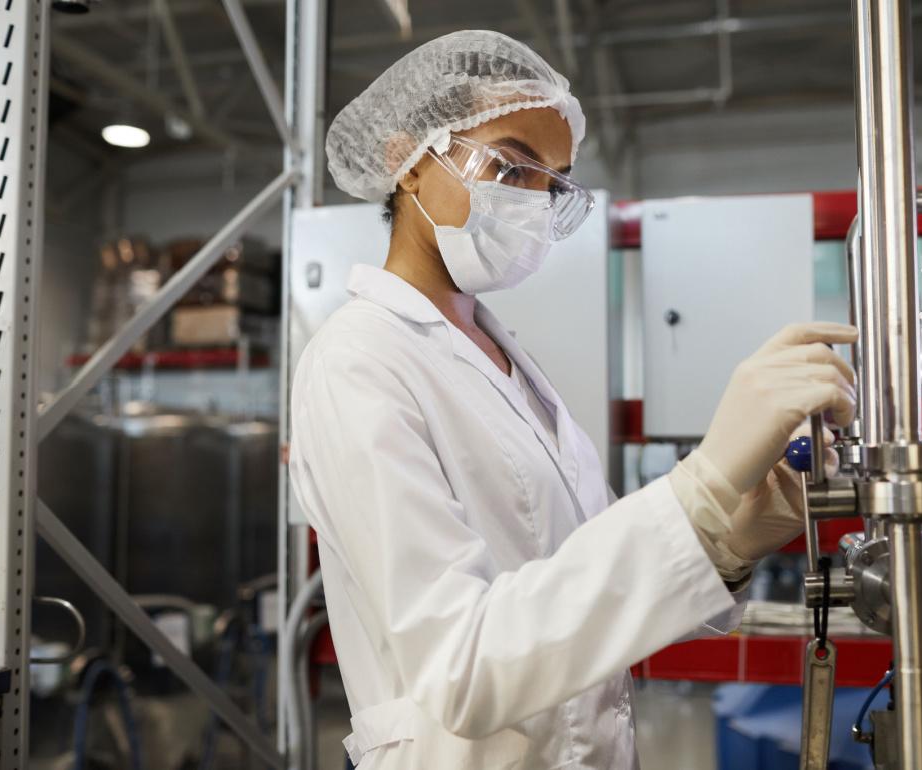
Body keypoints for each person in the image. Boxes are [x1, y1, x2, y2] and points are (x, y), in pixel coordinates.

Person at [289, 29, 857, 770]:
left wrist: (728, 541)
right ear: (406, 160)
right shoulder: (358, 359)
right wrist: (702, 488)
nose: (531, 200)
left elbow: (590, 596)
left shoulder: (510, 361)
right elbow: (458, 666)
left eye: (552, 181)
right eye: (511, 163)